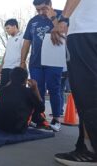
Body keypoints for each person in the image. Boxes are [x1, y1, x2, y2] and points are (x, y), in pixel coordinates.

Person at [51, 0, 97, 165]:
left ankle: (90, 151)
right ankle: (86, 145)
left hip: (86, 31)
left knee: (87, 92)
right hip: (89, 29)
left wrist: (64, 18)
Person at [20, 0, 63, 131]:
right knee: (37, 90)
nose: (40, 12)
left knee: (54, 89)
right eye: (38, 9)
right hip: (35, 62)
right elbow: (27, 42)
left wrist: (53, 18)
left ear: (50, 4)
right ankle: (39, 118)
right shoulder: (33, 21)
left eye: (43, 8)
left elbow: (63, 32)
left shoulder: (61, 15)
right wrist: (22, 61)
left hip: (54, 61)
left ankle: (56, 119)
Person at [0, 67, 51, 133]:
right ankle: (42, 123)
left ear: (10, 78)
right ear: (25, 80)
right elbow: (41, 108)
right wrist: (36, 89)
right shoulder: (28, 91)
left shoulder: (3, 90)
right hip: (18, 128)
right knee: (34, 106)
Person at [0, 19, 24, 89]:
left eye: (8, 28)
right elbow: (6, 53)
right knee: (3, 91)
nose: (6, 30)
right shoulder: (9, 39)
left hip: (15, 68)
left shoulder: (23, 36)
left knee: (15, 92)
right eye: (6, 29)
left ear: (14, 26)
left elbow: (24, 52)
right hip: (5, 69)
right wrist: (1, 67)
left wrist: (21, 67)